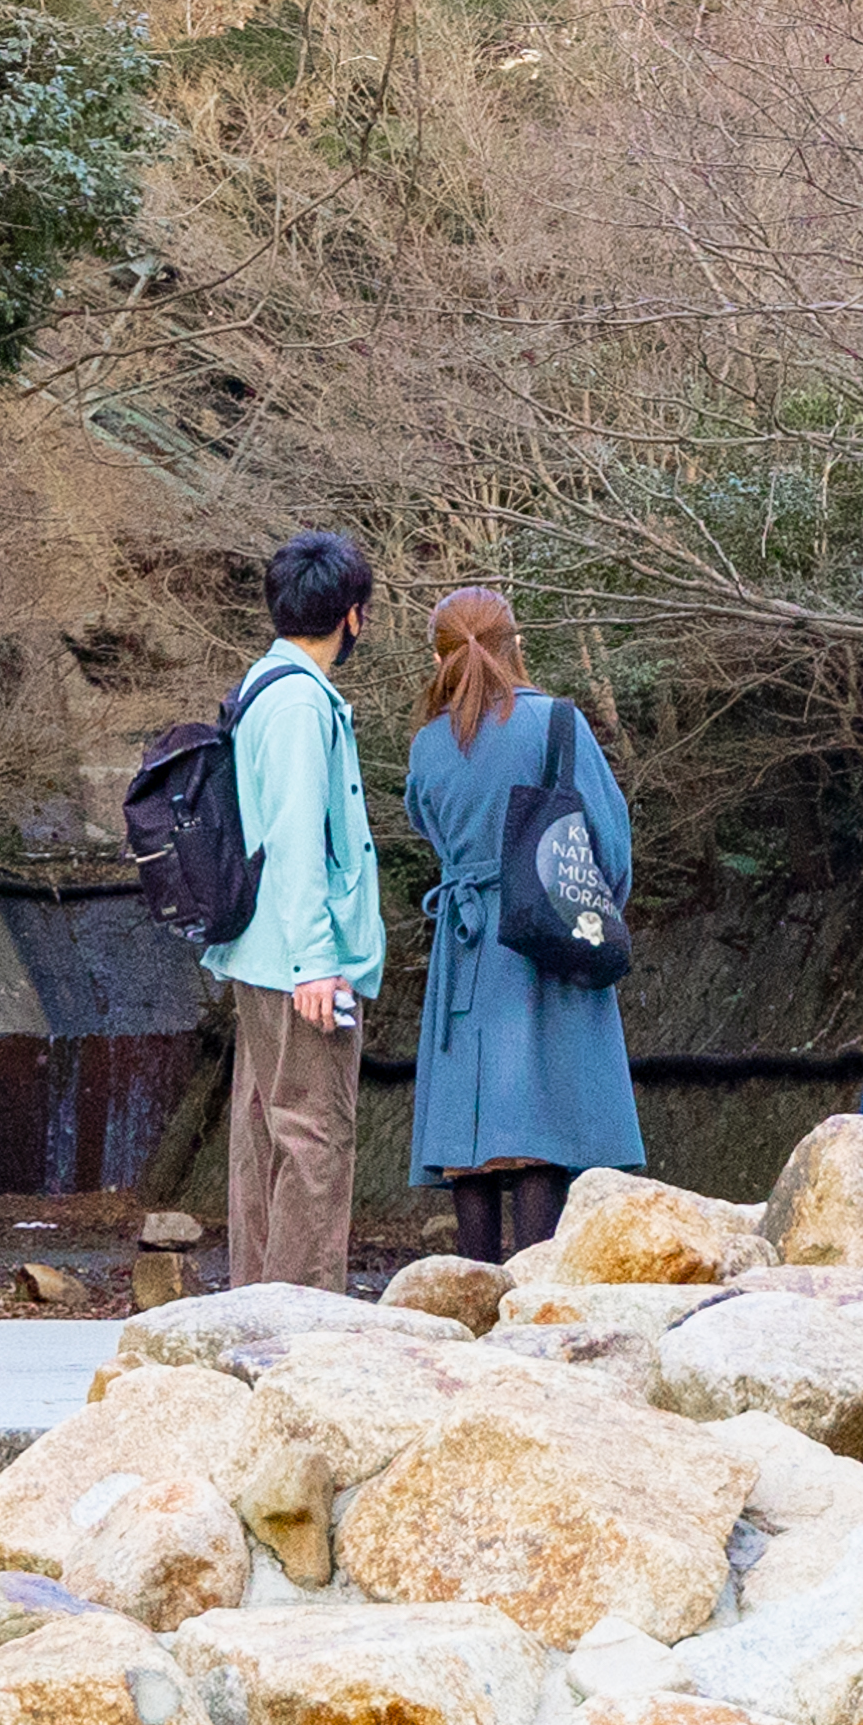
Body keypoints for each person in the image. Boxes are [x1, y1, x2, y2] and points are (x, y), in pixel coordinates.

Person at [402, 582, 639, 1265]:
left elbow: (431, 826)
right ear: (515, 644)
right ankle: (536, 1293)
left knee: (470, 1137)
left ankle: (470, 1295)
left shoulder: (427, 747)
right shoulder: (556, 723)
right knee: (544, 1124)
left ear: (439, 657)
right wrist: (587, 909)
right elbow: (610, 845)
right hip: (543, 938)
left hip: (465, 944)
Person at [205, 531, 383, 1290]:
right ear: (353, 616)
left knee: (264, 1136)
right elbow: (297, 838)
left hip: (260, 952)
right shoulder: (302, 704)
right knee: (313, 1139)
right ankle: (303, 1333)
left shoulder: (262, 689)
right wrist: (319, 961)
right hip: (300, 962)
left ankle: (255, 1311)